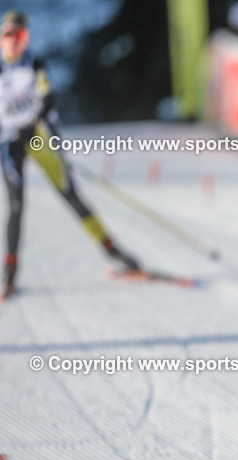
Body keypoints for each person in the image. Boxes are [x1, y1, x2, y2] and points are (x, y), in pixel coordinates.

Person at [0, 10, 139, 300]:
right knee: (16, 205)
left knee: (70, 194)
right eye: (7, 35)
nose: (13, 42)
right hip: (10, 142)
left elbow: (48, 97)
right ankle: (9, 274)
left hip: (38, 138)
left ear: (26, 39)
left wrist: (33, 122)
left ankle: (112, 249)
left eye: (19, 35)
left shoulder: (34, 65)